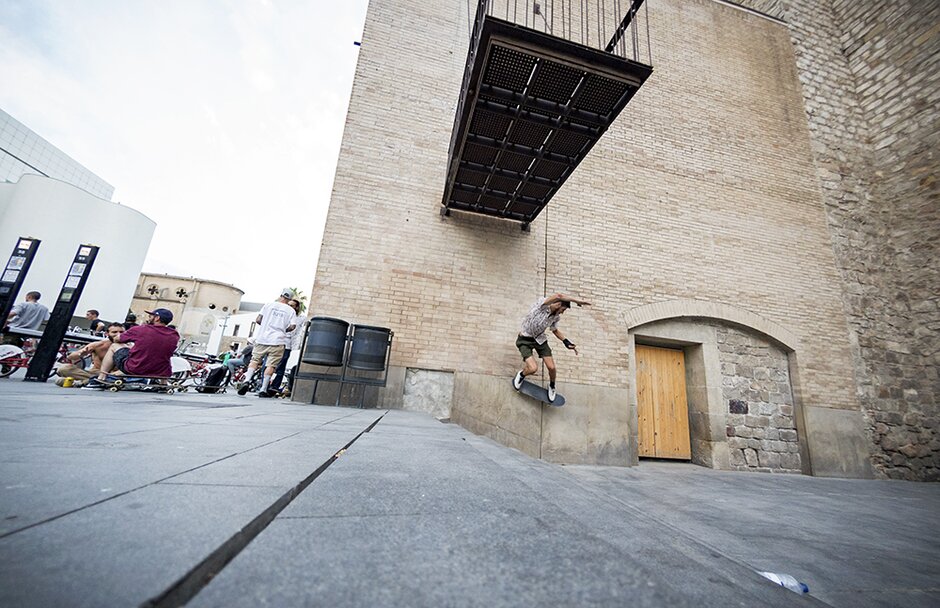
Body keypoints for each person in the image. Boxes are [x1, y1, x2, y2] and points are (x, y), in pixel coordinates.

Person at [512, 293, 590, 402]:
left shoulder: (555, 317)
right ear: (558, 304)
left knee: (552, 368)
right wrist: (577, 301)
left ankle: (552, 386)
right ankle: (521, 374)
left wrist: (566, 342)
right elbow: (558, 295)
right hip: (525, 339)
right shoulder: (542, 305)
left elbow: (555, 330)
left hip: (540, 340)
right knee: (533, 368)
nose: (562, 312)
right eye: (563, 309)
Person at [84, 308, 180, 389]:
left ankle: (102, 378)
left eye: (151, 316)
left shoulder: (141, 329)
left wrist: (127, 342)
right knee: (162, 353)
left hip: (134, 368)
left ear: (157, 318)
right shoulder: (174, 335)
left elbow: (117, 339)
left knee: (114, 346)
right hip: (160, 372)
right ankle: (163, 384)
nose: (149, 318)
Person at [238, 289, 296, 397]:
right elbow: (292, 326)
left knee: (254, 360)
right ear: (290, 299)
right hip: (278, 340)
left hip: (262, 338)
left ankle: (247, 380)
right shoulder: (290, 310)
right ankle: (263, 389)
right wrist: (283, 330)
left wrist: (266, 326)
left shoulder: (268, 305)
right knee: (271, 365)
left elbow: (258, 319)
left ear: (281, 295)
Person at [56, 322, 125, 385]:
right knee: (63, 369)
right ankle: (95, 381)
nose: (118, 334)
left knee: (124, 373)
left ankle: (85, 382)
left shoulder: (130, 346)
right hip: (96, 373)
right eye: (114, 332)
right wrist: (80, 354)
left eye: (121, 332)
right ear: (107, 334)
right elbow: (70, 357)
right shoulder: (98, 345)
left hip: (117, 375)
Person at [268, 298, 304, 396]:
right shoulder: (282, 315)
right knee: (270, 364)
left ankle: (274, 387)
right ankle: (265, 386)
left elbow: (297, 333)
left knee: (281, 366)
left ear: (296, 307)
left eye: (292, 305)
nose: (289, 307)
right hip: (275, 342)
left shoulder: (300, 318)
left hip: (287, 344)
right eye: (289, 304)